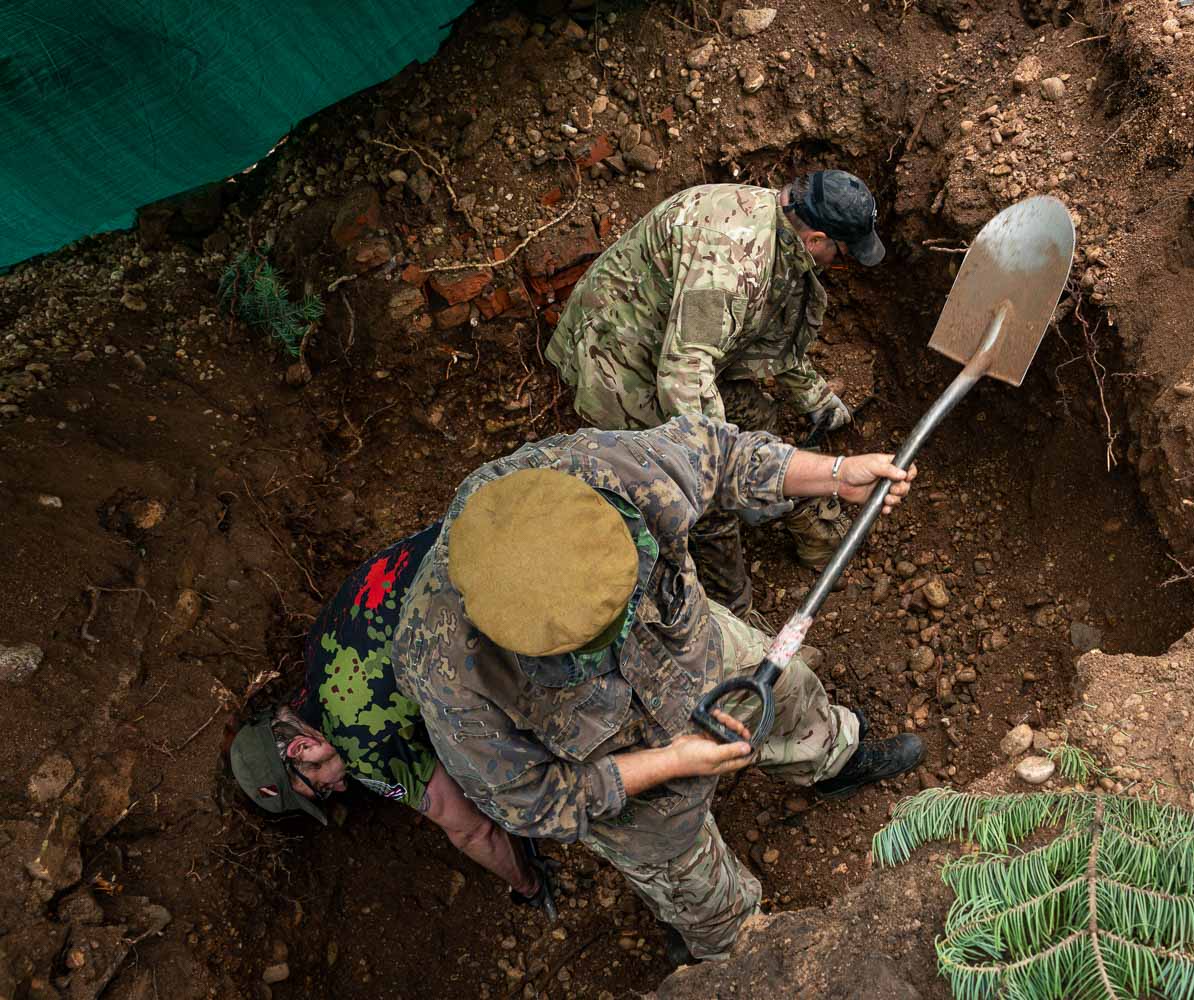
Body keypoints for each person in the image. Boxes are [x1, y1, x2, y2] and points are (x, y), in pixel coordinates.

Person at [392, 413, 926, 962]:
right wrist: (671, 763)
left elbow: (721, 455)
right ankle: (723, 945)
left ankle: (832, 761)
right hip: (621, 770)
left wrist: (836, 473)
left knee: (789, 691)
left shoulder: (598, 470)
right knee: (699, 895)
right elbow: (531, 802)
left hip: (698, 655)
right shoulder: (446, 669)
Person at [543, 169, 886, 614]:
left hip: (675, 341)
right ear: (816, 238)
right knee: (706, 500)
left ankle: (810, 532)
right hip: (620, 362)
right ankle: (732, 620)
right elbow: (683, 372)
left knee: (758, 417)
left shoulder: (775, 225)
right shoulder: (728, 265)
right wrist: (727, 469)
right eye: (840, 253)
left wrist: (812, 394)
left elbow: (764, 333)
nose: (837, 263)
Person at [228, 524, 553, 915]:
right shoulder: (317, 646)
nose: (340, 790)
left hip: (526, 581)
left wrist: (527, 884)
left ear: (301, 749)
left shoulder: (361, 747)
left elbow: (472, 830)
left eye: (321, 789)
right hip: (483, 520)